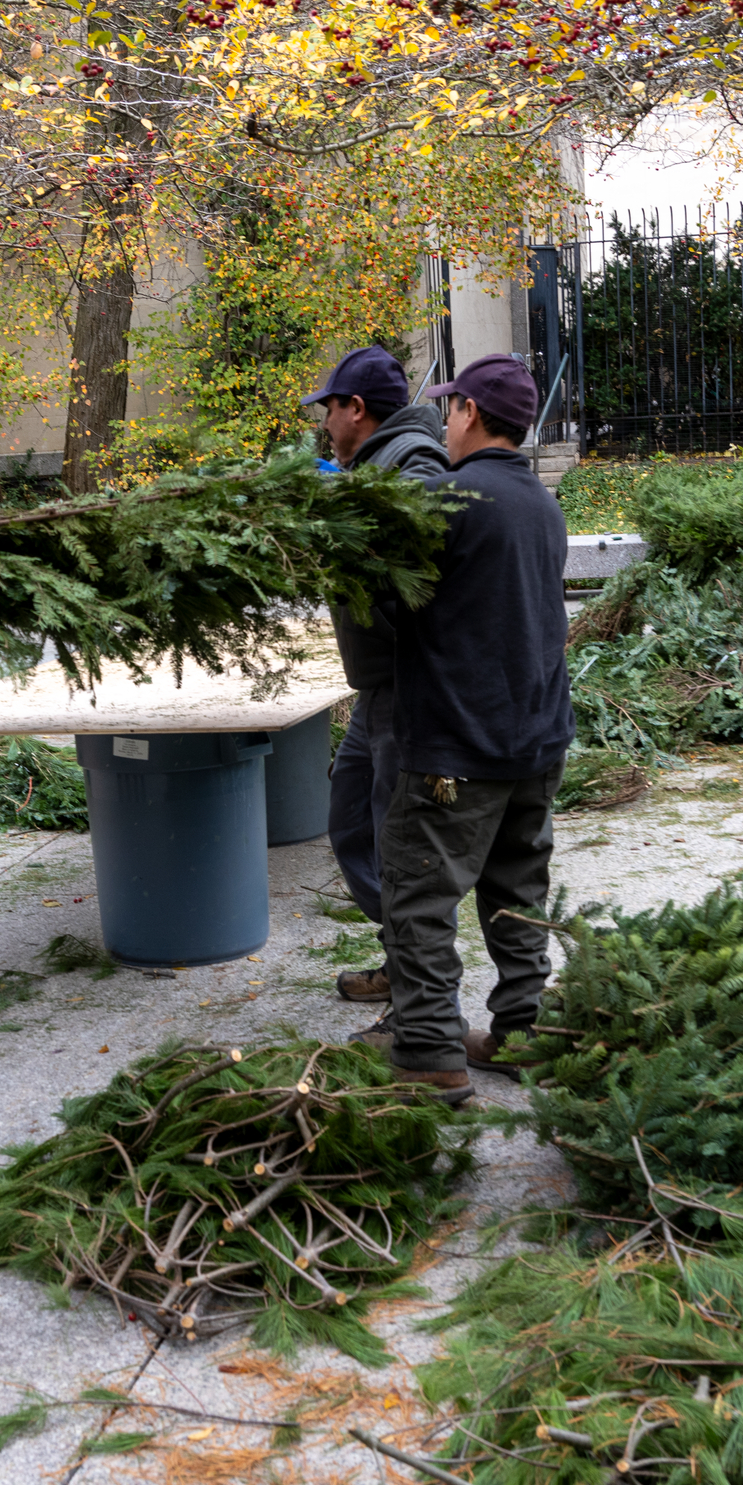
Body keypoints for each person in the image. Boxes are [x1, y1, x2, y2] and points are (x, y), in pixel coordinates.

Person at [368, 353, 573, 1105]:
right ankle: (521, 1033)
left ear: (472, 417)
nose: (445, 420)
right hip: (536, 741)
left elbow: (397, 606)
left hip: (458, 745)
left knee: (420, 895)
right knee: (517, 892)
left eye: (451, 409)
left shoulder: (449, 501)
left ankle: (428, 1051)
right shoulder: (539, 503)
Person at [303, 346, 451, 1008]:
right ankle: (401, 953)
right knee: (350, 821)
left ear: (356, 409)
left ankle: (418, 994)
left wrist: (332, 493)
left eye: (329, 408)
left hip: (408, 685)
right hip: (376, 690)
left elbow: (427, 510)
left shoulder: (414, 455)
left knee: (401, 841)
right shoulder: (370, 463)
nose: (324, 422)